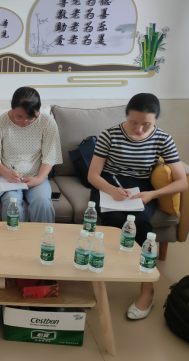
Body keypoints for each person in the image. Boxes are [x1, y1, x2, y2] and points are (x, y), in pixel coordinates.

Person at [88, 93, 187, 320]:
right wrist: (111, 190)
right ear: (126, 115)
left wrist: (153, 194)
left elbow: (182, 181)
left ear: (155, 120)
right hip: (109, 184)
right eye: (133, 122)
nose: (139, 129)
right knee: (114, 222)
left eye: (146, 124)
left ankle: (147, 289)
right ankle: (104, 273)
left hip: (142, 188)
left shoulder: (163, 138)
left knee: (140, 225)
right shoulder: (109, 135)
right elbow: (93, 175)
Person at [0, 87, 62, 223]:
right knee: (12, 203)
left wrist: (39, 179)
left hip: (36, 175)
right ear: (12, 108)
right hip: (7, 177)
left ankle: (43, 236)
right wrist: (7, 173)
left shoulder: (47, 122)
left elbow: (50, 156)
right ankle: (13, 237)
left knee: (43, 202)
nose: (24, 122)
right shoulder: (1, 122)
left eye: (30, 118)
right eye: (19, 117)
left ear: (38, 111)